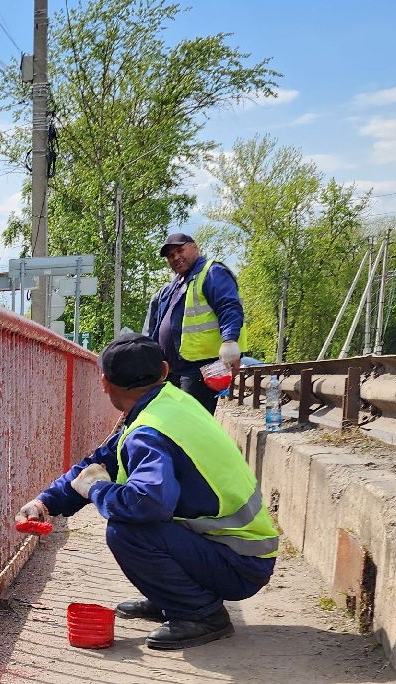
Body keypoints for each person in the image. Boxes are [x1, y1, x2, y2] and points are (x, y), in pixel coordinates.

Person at [17, 333, 277, 649]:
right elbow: (103, 461)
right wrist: (46, 501)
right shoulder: (169, 404)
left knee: (126, 530)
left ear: (104, 383)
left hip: (239, 565)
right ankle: (171, 597)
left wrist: (97, 490)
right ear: (165, 371)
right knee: (134, 522)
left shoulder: (149, 431)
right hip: (243, 553)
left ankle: (201, 613)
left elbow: (148, 504)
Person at [144, 232, 242, 414]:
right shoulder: (174, 285)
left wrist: (229, 341)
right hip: (174, 370)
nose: (176, 258)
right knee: (174, 424)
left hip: (198, 369)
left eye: (180, 250)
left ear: (195, 247)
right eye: (170, 256)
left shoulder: (212, 272)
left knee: (190, 423)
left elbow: (229, 306)